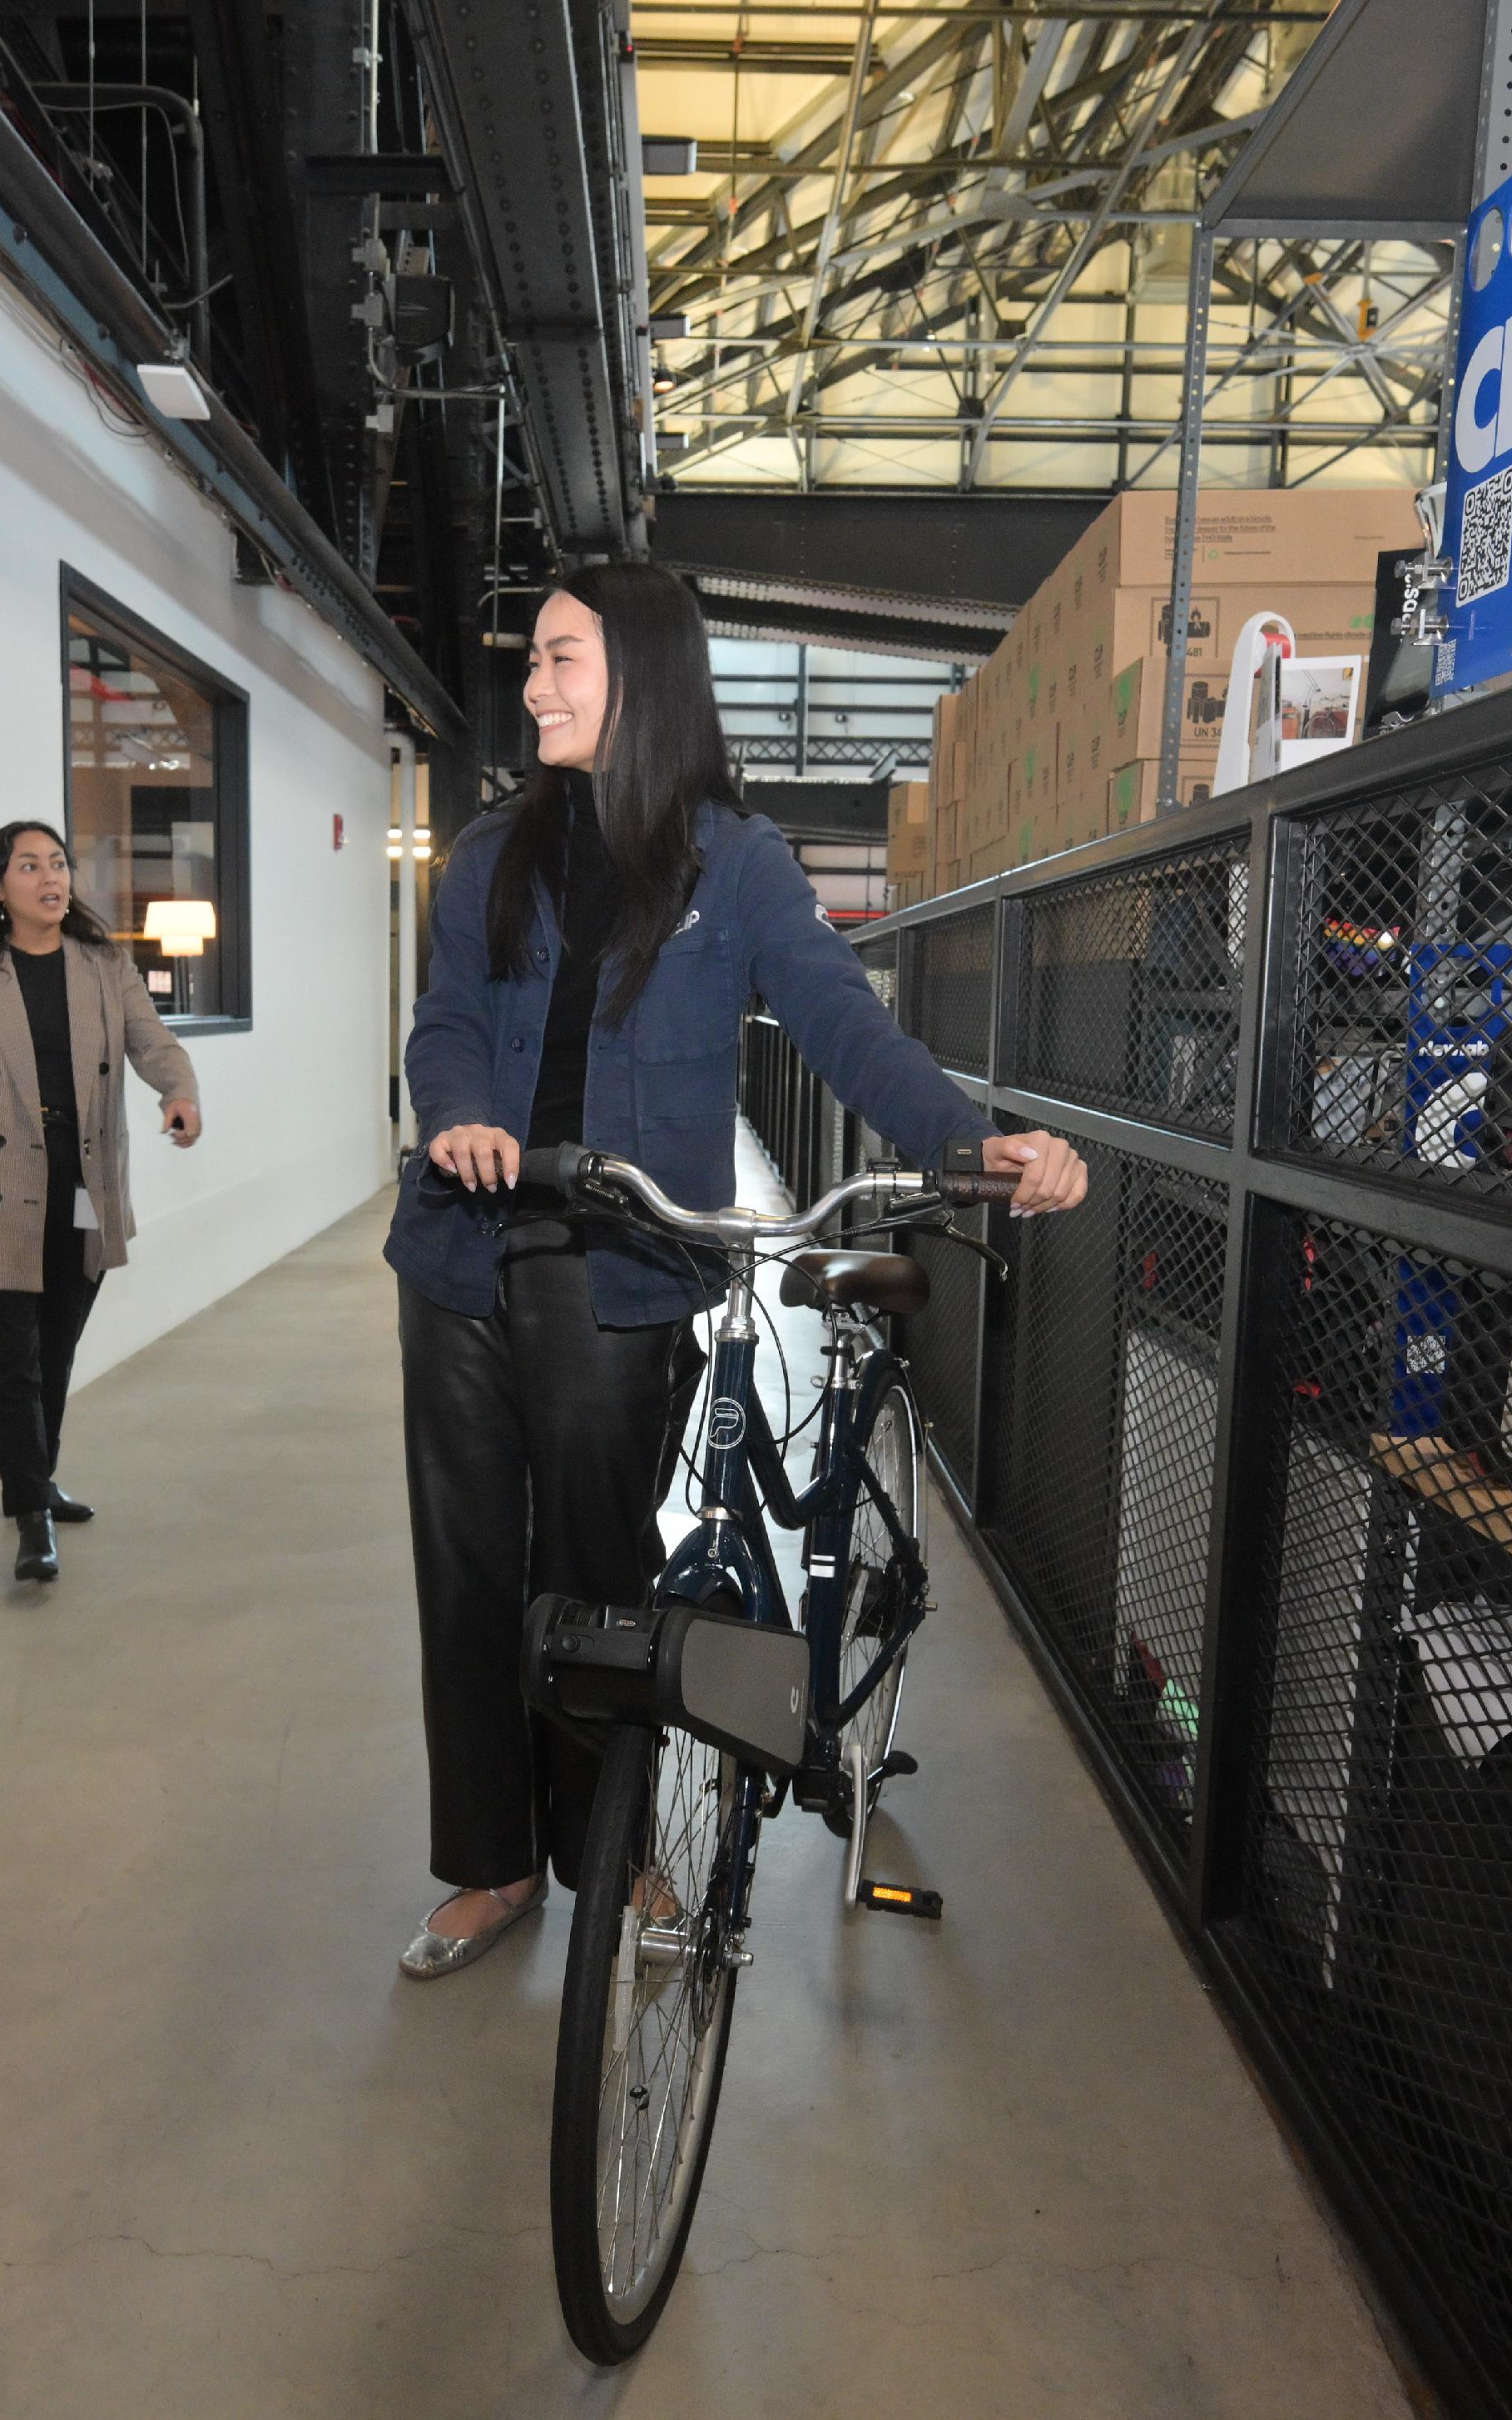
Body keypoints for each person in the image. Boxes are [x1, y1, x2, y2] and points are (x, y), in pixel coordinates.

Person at [383, 562, 1086, 1979]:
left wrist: (971, 1137)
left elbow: (840, 1020)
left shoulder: (738, 860)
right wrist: (457, 1109)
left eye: (564, 658)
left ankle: (615, 1858)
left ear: (641, 671)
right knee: (465, 1574)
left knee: (592, 1582)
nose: (533, 684)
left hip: (622, 1260)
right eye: (531, 659)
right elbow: (445, 1018)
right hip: (462, 1249)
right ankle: (495, 1863)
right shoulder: (494, 848)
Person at [0, 821, 200, 1583]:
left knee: (57, 1344)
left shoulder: (102, 963)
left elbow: (151, 1040)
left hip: (83, 1181)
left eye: (60, 863)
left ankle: (36, 1478)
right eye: (29, 865)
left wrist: (179, 1091)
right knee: (9, 1356)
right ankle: (30, 1510)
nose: (51, 877)